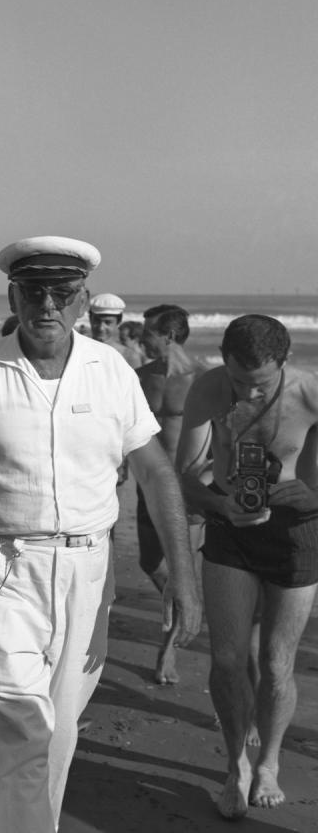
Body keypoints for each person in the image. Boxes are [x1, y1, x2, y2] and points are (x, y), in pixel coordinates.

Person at [0, 236, 201, 833]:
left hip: (89, 574)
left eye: (63, 294)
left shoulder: (110, 371)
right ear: (13, 296)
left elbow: (153, 470)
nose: (48, 306)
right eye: (34, 292)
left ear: (84, 299)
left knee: (59, 728)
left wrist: (185, 580)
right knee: (17, 721)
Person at [176, 314, 318, 820]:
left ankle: (270, 763)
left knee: (279, 664)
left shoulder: (309, 394)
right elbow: (186, 476)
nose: (246, 393)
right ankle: (235, 765)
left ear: (285, 363)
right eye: (237, 379)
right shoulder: (209, 389)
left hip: (297, 534)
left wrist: (311, 494)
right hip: (231, 527)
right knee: (228, 660)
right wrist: (219, 505)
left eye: (257, 385)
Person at [136, 304, 206, 684]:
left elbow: (228, 431)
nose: (141, 337)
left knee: (183, 569)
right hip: (148, 485)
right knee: (151, 563)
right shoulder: (139, 376)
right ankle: (183, 608)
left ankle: (170, 649)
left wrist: (209, 474)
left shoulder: (204, 378)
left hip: (188, 489)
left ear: (169, 335)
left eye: (148, 331)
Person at [89, 293, 140, 367]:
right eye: (97, 321)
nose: (101, 328)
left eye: (108, 322)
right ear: (90, 319)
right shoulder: (78, 350)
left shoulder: (128, 356)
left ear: (118, 322)